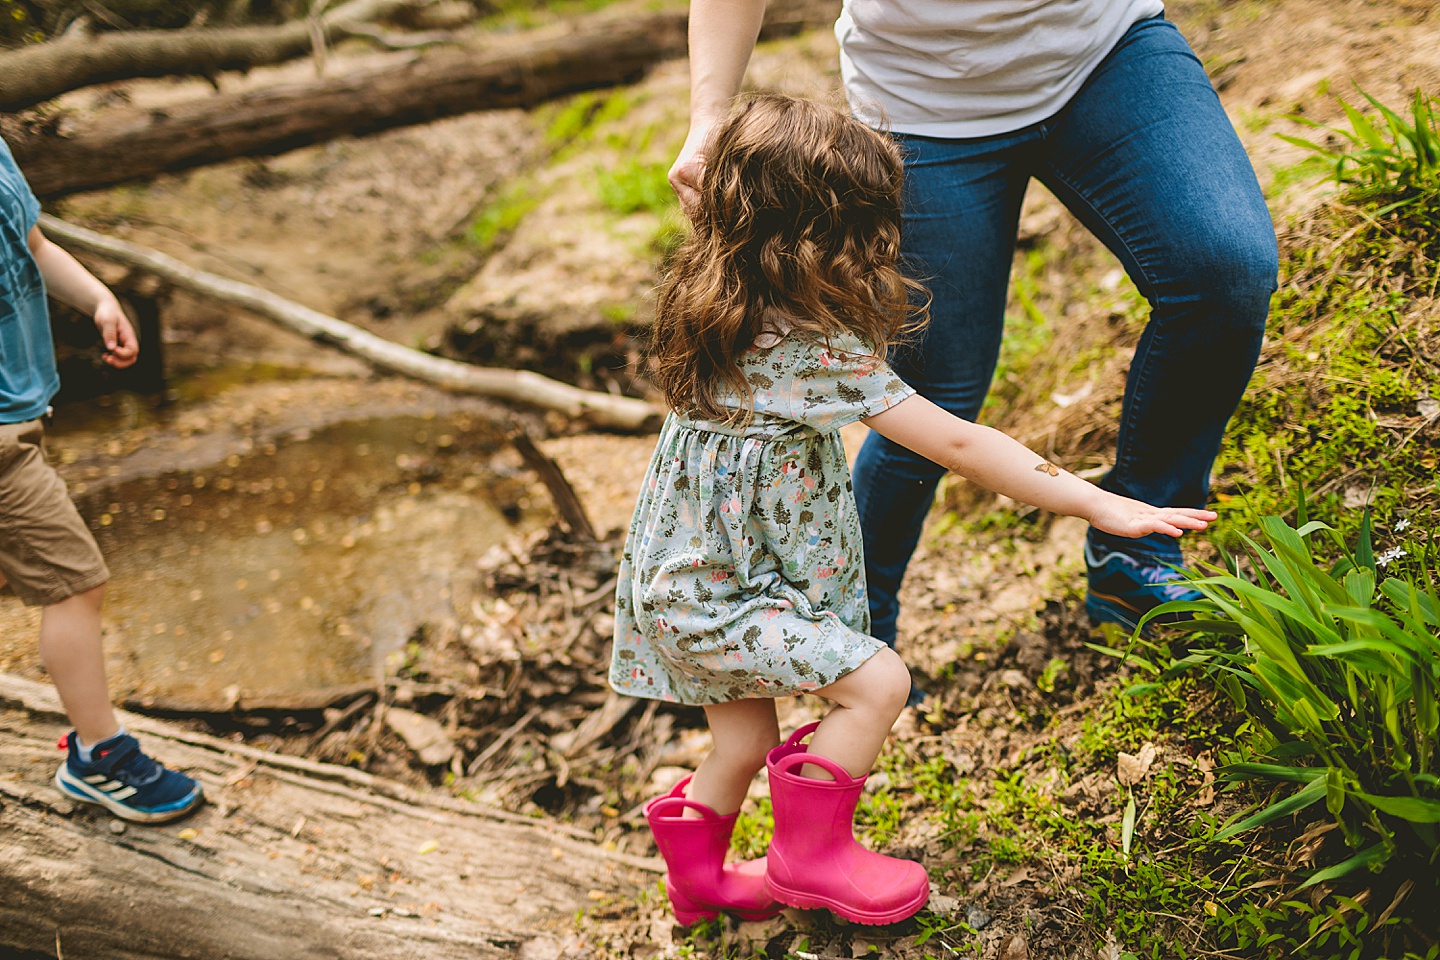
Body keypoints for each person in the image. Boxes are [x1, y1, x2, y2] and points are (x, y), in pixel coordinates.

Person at [613, 95, 1215, 926]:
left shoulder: (714, 294)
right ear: (804, 240)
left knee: (743, 742)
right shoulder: (811, 351)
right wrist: (1096, 502)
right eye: (864, 228)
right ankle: (809, 856)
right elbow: (962, 445)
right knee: (877, 681)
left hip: (683, 578)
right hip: (723, 591)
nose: (885, 244)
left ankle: (699, 885)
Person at [669, 1, 1278, 645]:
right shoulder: (803, 353)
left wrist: (1108, 507)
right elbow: (952, 438)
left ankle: (1137, 553)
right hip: (921, 104)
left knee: (1224, 272)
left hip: (1104, 50)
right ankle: (854, 636)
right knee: (935, 395)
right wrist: (709, 113)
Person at [1, 135, 204, 823]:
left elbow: (33, 244)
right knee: (73, 581)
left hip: (20, 417)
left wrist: (99, 299)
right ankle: (102, 756)